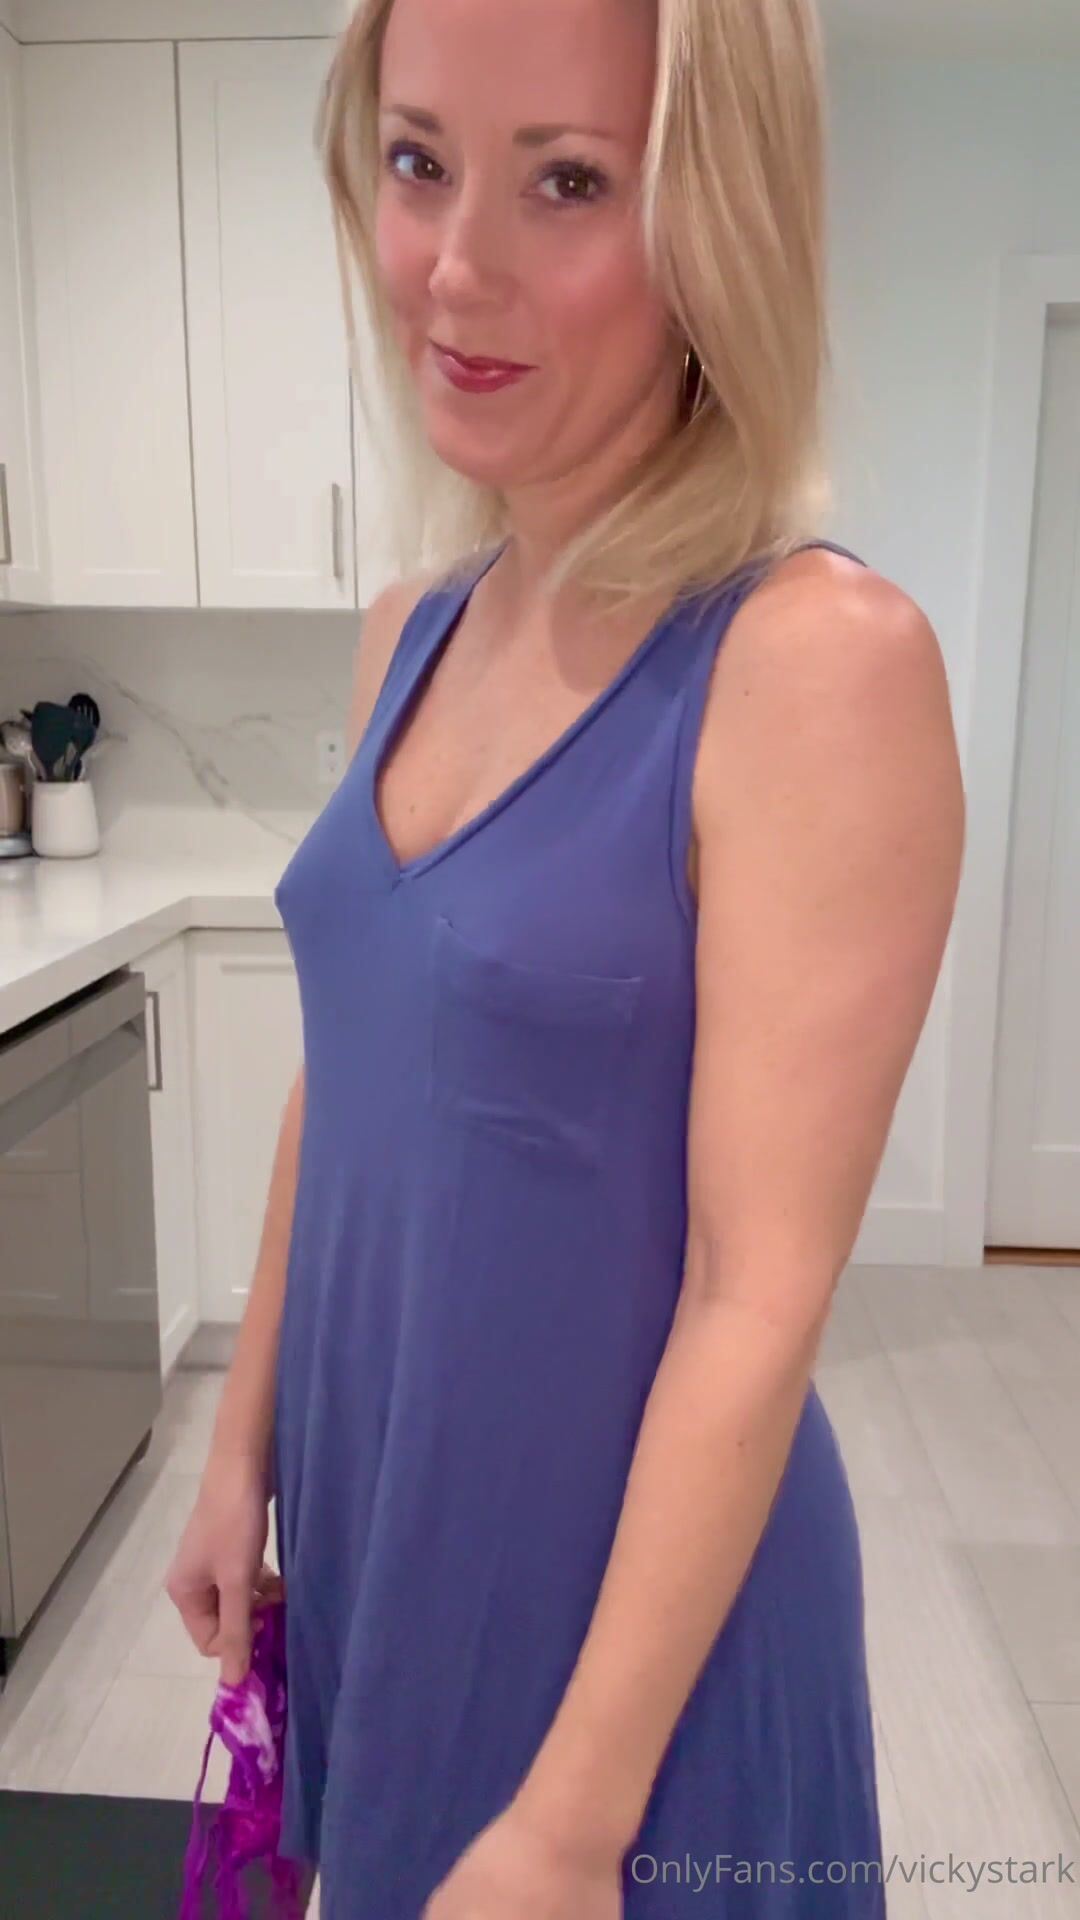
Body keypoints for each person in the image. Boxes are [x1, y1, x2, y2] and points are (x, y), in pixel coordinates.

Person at [165, 0, 966, 1914]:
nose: (459, 266)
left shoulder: (812, 664)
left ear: (716, 225)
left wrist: (570, 1824)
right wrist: (242, 1438)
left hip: (631, 1658)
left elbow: (757, 1297)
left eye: (571, 183)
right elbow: (349, 1079)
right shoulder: (410, 632)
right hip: (384, 1532)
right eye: (420, 160)